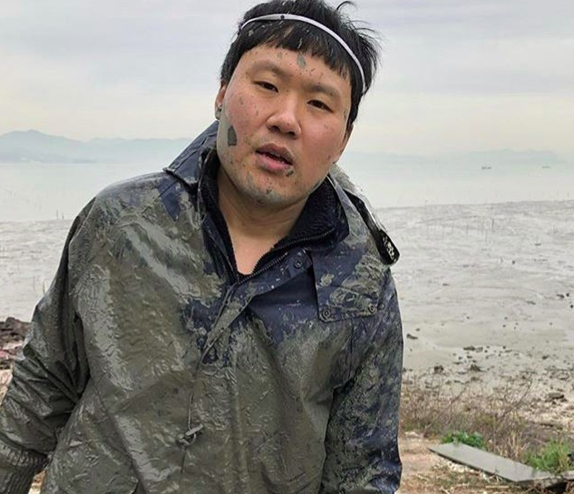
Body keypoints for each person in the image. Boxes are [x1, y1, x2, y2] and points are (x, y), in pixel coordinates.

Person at [0, 0, 403, 492]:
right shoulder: (122, 224)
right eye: (267, 85)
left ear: (343, 139)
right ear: (222, 93)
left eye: (319, 104)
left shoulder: (360, 286)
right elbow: (40, 389)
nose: (286, 119)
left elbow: (362, 472)